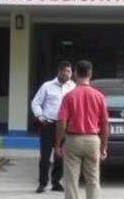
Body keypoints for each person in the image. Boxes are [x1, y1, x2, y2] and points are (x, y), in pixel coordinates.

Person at [55, 60, 109, 199]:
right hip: (92, 140)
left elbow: (61, 122)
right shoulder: (99, 97)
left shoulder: (69, 96)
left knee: (71, 180)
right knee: (93, 180)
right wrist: (103, 146)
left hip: (73, 140)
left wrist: (58, 144)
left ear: (75, 74)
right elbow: (105, 124)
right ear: (90, 74)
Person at [31, 60, 75, 193]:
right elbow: (35, 103)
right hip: (48, 125)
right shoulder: (47, 86)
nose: (69, 74)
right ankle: (42, 183)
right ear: (60, 71)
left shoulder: (73, 86)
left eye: (70, 71)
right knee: (45, 156)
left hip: (64, 126)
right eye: (66, 71)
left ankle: (56, 182)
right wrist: (40, 117)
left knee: (60, 155)